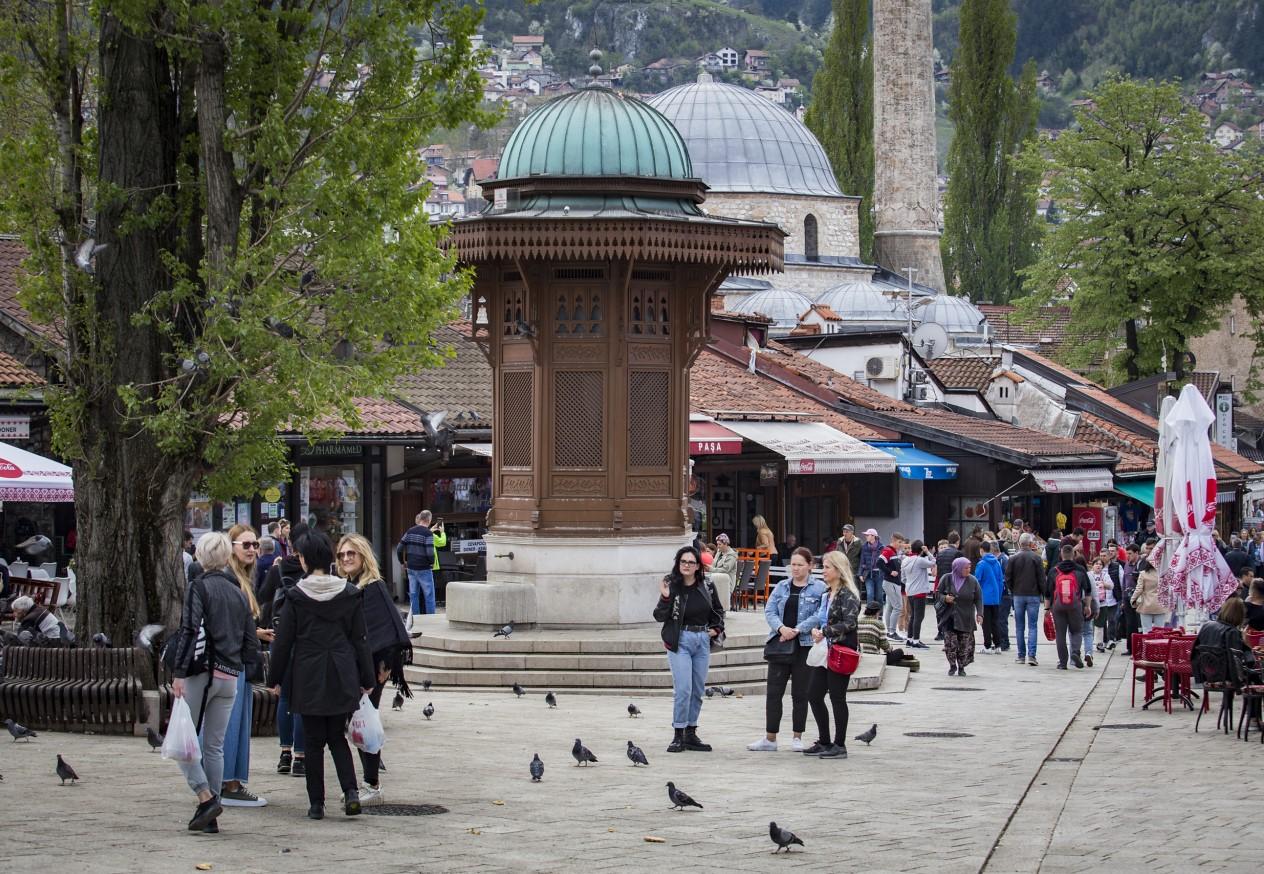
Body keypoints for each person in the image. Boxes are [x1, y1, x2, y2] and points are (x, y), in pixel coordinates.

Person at [268, 531, 374, 820]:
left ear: (305, 560)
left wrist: (274, 677)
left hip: (308, 672)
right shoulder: (349, 594)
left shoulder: (296, 596)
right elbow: (359, 639)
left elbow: (284, 641)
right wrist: (367, 677)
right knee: (337, 738)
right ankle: (351, 792)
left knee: (313, 741)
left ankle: (317, 804)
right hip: (342, 671)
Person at [170, 532, 260, 834]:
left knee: (184, 741)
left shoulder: (199, 587)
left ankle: (206, 797)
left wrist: (179, 671)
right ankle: (212, 812)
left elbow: (189, 629)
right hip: (229, 676)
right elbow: (250, 638)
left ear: (200, 556)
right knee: (214, 747)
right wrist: (245, 666)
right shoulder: (237, 591)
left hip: (202, 673)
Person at [339, 534, 412, 805]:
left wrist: (385, 666)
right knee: (356, 724)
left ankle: (372, 784)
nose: (346, 558)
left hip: (371, 669)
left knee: (363, 723)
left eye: (352, 554)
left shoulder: (373, 587)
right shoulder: (351, 586)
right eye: (342, 554)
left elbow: (388, 629)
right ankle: (367, 782)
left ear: (363, 557)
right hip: (354, 668)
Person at [748, 547, 825, 752]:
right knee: (774, 692)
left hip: (804, 645)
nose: (796, 568)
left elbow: (820, 613)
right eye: (793, 564)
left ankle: (797, 735)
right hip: (780, 643)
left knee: (801, 693)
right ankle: (770, 737)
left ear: (810, 566)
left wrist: (799, 629)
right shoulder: (782, 586)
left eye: (800, 564)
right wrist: (781, 628)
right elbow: (770, 609)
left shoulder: (818, 588)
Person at [654, 545, 725, 753]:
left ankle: (691, 733)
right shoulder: (672, 586)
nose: (686, 565)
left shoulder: (707, 586)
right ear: (678, 564)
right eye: (683, 561)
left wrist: (716, 628)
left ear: (697, 566)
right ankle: (678, 733)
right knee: (683, 689)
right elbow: (659, 616)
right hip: (680, 639)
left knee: (697, 690)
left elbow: (718, 611)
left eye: (691, 562)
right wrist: (666, 597)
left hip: (702, 639)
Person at [216, 523, 268, 808]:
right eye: (246, 545)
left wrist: (256, 633)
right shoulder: (230, 580)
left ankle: (230, 781)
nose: (252, 550)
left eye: (255, 545)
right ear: (231, 548)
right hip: (232, 662)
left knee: (237, 721)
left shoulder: (246, 578)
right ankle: (228, 783)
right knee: (231, 722)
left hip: (241, 659)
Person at [259, 522, 309, 778]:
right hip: (306, 639)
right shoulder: (312, 571)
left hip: (281, 635)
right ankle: (300, 757)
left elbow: (264, 595)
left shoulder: (279, 568)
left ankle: (285, 752)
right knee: (301, 699)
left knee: (285, 695)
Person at [805, 551, 862, 758]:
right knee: (814, 694)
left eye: (827, 567)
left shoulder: (848, 594)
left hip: (840, 650)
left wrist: (826, 631)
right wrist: (816, 630)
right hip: (824, 650)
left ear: (839, 570)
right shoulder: (827, 593)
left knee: (837, 697)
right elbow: (822, 619)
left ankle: (840, 744)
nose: (824, 571)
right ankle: (824, 740)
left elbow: (850, 622)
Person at [935, 556, 984, 676]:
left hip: (966, 618)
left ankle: (961, 667)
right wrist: (945, 598)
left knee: (964, 645)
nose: (968, 570)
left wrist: (980, 614)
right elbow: (937, 593)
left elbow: (979, 599)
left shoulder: (973, 581)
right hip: (949, 617)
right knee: (950, 644)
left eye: (969, 567)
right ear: (957, 568)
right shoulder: (947, 578)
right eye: (965, 568)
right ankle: (952, 665)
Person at [395, 510, 442, 630]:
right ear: (429, 520)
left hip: (411, 567)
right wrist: (431, 563)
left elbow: (400, 548)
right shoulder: (428, 534)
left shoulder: (410, 531)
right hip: (424, 568)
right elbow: (430, 552)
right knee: (429, 595)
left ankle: (416, 621)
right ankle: (430, 622)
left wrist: (402, 562)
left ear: (420, 518)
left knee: (414, 594)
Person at [1047, 544, 1091, 669]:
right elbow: (1087, 590)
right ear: (1073, 554)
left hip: (1058, 606)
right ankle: (1075, 652)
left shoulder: (1054, 570)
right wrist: (1087, 606)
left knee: (1060, 634)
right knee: (1077, 631)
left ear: (1061, 554)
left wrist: (1046, 610)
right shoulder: (1080, 570)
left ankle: (1062, 663)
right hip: (1075, 605)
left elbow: (1047, 593)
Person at [1006, 533, 1045, 666]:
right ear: (1030, 543)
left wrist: (1012, 590)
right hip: (1033, 594)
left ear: (1020, 543)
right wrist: (1043, 594)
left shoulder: (1013, 558)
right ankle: (1032, 655)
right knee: (1033, 626)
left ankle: (1021, 655)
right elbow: (1041, 578)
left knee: (1019, 626)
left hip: (1018, 595)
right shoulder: (1036, 558)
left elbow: (1008, 578)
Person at [900, 540, 935, 649]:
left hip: (909, 591)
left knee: (913, 616)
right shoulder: (919, 560)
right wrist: (928, 552)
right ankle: (916, 640)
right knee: (919, 617)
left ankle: (909, 640)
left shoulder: (905, 560)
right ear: (921, 549)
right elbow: (933, 562)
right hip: (919, 591)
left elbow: (903, 578)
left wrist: (909, 584)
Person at [976, 540, 1005, 653]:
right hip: (996, 597)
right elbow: (1000, 580)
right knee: (995, 621)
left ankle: (987, 646)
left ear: (982, 550)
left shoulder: (982, 564)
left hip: (984, 597)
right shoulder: (997, 562)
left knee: (986, 623)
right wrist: (998, 595)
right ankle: (998, 645)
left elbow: (977, 581)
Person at [877, 534, 907, 641]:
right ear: (894, 541)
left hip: (891, 583)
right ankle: (892, 632)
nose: (901, 544)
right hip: (891, 583)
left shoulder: (893, 552)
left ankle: (890, 632)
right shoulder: (888, 551)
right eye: (899, 542)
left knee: (890, 607)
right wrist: (890, 572)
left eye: (902, 542)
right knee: (898, 607)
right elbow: (879, 563)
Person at [1093, 557, 1121, 652]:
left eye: (1100, 564)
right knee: (1093, 624)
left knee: (1100, 623)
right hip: (1091, 603)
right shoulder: (1089, 575)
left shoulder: (1105, 575)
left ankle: (1099, 643)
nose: (1098, 566)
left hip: (1102, 603)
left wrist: (1104, 585)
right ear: (1092, 565)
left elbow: (1111, 586)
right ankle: (1098, 641)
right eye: (1096, 564)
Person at [1130, 557, 1166, 632]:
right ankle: (1159, 643)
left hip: (1146, 604)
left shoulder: (1143, 574)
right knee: (1160, 629)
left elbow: (1139, 589)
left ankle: (1147, 643)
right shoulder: (1163, 573)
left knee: (1146, 629)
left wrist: (1133, 599)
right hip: (1160, 604)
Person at [859, 528, 883, 606]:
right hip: (868, 573)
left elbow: (885, 562)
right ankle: (870, 614)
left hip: (879, 574)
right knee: (870, 594)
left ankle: (879, 614)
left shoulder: (882, 547)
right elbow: (862, 561)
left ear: (873, 536)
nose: (865, 536)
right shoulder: (864, 547)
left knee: (879, 596)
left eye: (867, 535)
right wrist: (860, 574)